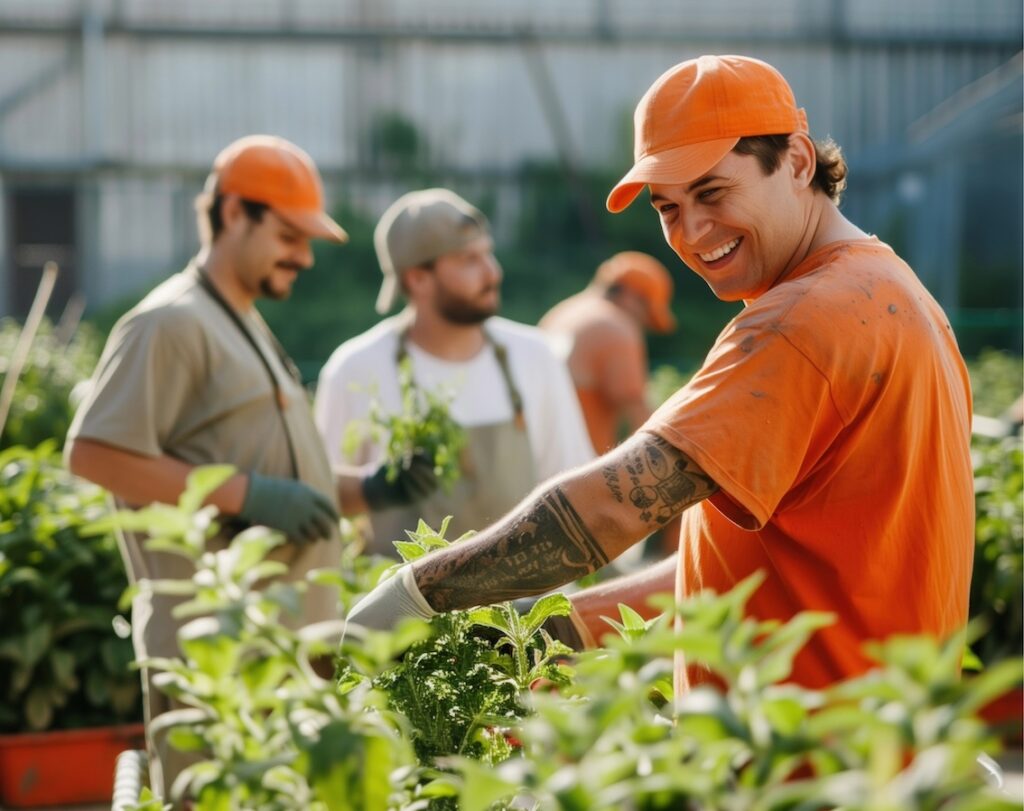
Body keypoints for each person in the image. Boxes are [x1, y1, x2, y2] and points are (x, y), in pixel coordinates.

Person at [345, 55, 975, 694]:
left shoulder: (804, 318)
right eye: (668, 207)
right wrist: (541, 634)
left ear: (798, 163)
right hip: (874, 741)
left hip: (806, 763)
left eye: (712, 191)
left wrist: (415, 593)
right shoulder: (889, 289)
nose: (693, 231)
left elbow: (614, 506)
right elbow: (744, 570)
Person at [65, 135, 348, 801]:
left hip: (282, 650)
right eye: (287, 235)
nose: (303, 257)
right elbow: (95, 453)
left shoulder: (242, 321)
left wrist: (369, 489)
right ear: (232, 215)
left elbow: (269, 472)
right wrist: (245, 493)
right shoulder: (169, 322)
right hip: (214, 659)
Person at [314, 188, 594, 556]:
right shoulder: (356, 369)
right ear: (418, 279)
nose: (493, 272)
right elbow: (321, 496)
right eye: (469, 260)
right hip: (400, 610)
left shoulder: (535, 356)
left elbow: (576, 485)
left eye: (488, 254)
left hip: (518, 610)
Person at [540, 251, 676, 455]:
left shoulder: (560, 314)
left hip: (542, 459)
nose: (644, 326)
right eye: (647, 315)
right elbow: (641, 417)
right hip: (579, 466)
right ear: (630, 296)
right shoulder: (616, 327)